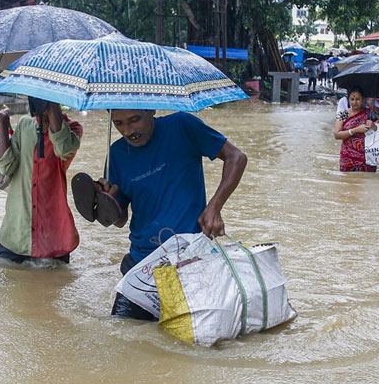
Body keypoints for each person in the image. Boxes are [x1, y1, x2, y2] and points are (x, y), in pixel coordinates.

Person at [72, 110, 248, 319]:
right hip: (141, 263)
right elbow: (120, 220)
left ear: (151, 110)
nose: (127, 131)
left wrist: (215, 207)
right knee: (121, 329)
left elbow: (236, 157)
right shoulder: (116, 154)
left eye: (134, 120)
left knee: (196, 333)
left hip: (189, 260)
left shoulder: (183, 126)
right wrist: (105, 201)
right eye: (118, 123)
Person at [0, 99, 83, 263]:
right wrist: (3, 123)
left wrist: (51, 106)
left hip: (53, 238)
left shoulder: (73, 129)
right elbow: (6, 167)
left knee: (53, 278)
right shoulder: (25, 124)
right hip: (16, 234)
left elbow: (63, 148)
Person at [335, 87, 379, 172]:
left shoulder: (370, 113)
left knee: (367, 179)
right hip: (348, 158)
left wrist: (374, 126)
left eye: (358, 99)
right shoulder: (342, 114)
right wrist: (355, 130)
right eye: (352, 99)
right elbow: (337, 135)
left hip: (367, 158)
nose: (355, 102)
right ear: (348, 99)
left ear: (363, 99)